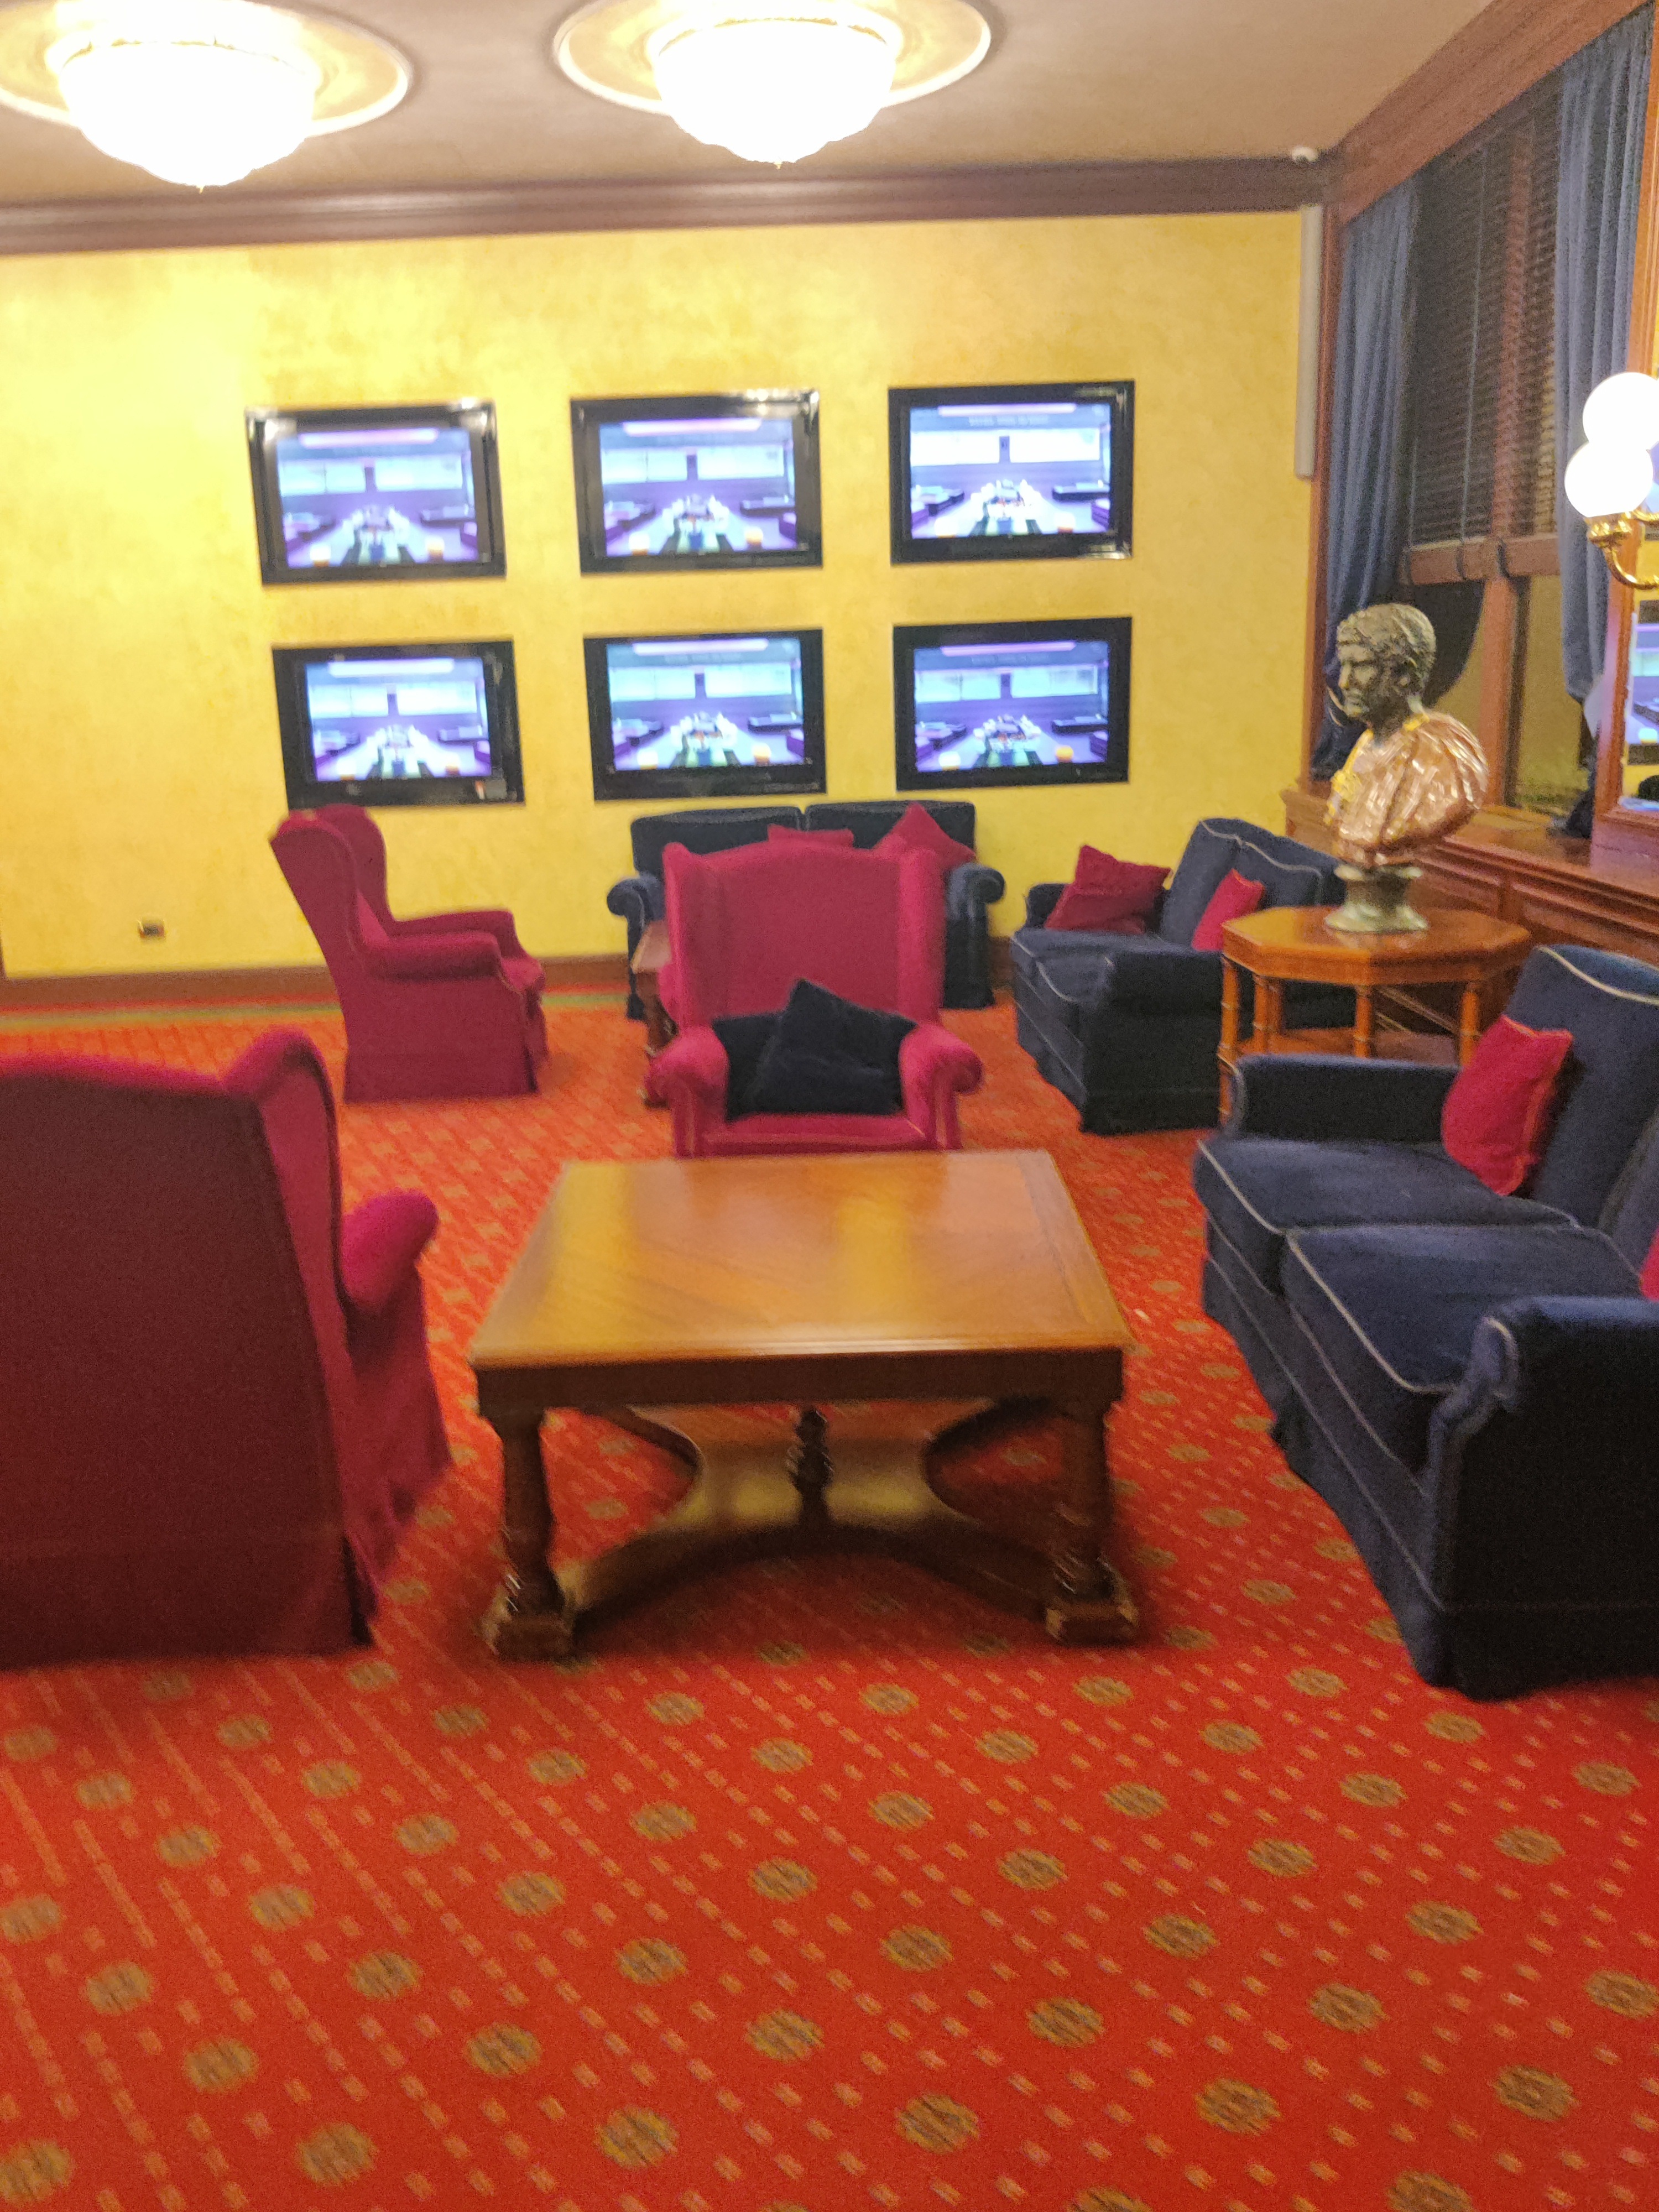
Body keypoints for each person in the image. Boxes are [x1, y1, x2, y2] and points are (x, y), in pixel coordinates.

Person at [1326, 603, 1486, 868]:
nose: (1344, 681)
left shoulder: (1444, 754)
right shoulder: (1367, 743)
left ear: (1403, 674)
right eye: (1345, 665)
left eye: (1361, 666)